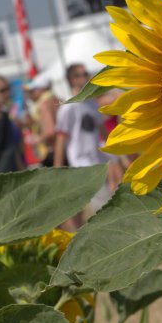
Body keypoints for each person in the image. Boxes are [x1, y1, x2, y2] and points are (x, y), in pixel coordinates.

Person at [54, 63, 118, 226]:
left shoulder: (91, 103)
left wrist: (118, 149)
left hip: (97, 160)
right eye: (79, 75)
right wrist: (57, 170)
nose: (84, 78)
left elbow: (102, 132)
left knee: (101, 203)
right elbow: (61, 140)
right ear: (71, 80)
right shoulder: (68, 108)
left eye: (85, 73)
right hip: (81, 163)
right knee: (102, 205)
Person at [23, 74, 60, 168]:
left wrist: (36, 140)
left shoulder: (44, 104)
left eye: (34, 90)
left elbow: (50, 130)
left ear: (43, 89)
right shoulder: (57, 99)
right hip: (64, 147)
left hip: (52, 151)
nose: (33, 93)